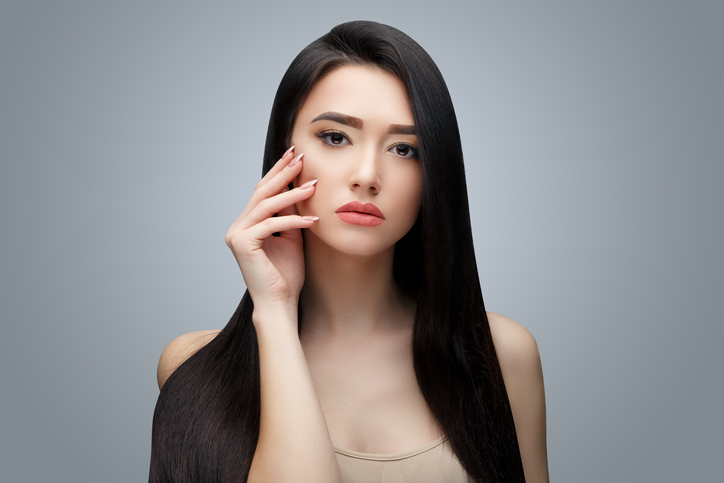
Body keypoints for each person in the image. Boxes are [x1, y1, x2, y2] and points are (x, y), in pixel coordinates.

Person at [150, 21, 548, 483]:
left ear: (433, 176)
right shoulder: (193, 367)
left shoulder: (501, 356)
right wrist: (275, 311)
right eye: (336, 137)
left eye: (404, 149)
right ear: (285, 153)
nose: (367, 175)